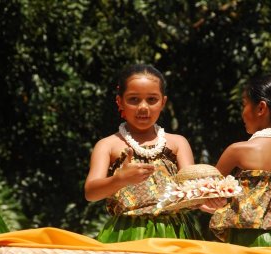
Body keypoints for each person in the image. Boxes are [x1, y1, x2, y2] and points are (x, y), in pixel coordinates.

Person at [84, 63, 203, 243]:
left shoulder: (178, 143)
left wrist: (207, 199)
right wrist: (119, 180)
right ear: (120, 102)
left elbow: (191, 191)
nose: (143, 107)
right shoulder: (108, 145)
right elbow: (90, 193)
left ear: (163, 102)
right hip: (127, 234)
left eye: (152, 99)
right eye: (133, 99)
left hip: (175, 234)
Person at [201, 74, 271, 254]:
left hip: (248, 246)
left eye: (244, 104)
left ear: (261, 107)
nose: (242, 112)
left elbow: (203, 197)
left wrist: (205, 202)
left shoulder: (238, 151)